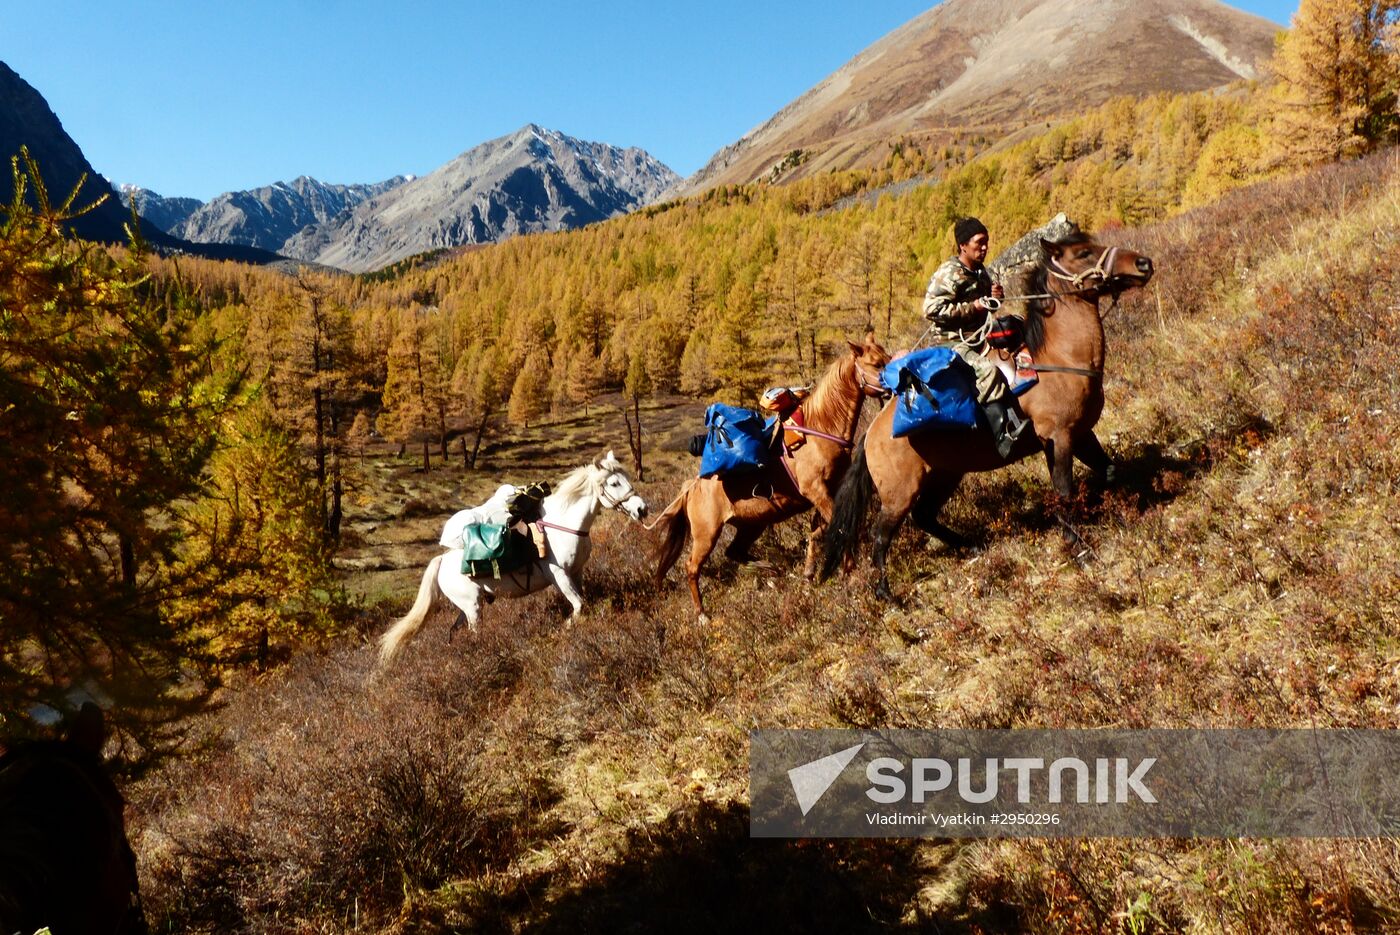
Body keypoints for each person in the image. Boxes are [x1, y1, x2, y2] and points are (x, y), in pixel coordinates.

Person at [921, 216, 1030, 458]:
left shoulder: (981, 271)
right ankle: (1003, 436)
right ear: (963, 245)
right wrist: (974, 307)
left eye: (986, 242)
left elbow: (988, 305)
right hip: (953, 343)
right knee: (987, 371)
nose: (984, 247)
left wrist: (995, 297)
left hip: (981, 336)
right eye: (979, 242)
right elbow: (930, 309)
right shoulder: (949, 273)